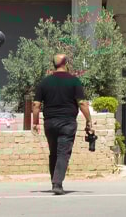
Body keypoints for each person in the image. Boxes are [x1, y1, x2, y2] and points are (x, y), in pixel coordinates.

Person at [31, 53, 94, 195]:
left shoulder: (44, 82)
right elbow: (82, 103)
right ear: (66, 63)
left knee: (54, 153)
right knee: (63, 153)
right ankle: (57, 183)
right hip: (67, 123)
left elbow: (36, 105)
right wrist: (89, 120)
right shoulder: (74, 81)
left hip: (50, 123)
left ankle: (55, 181)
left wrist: (35, 122)